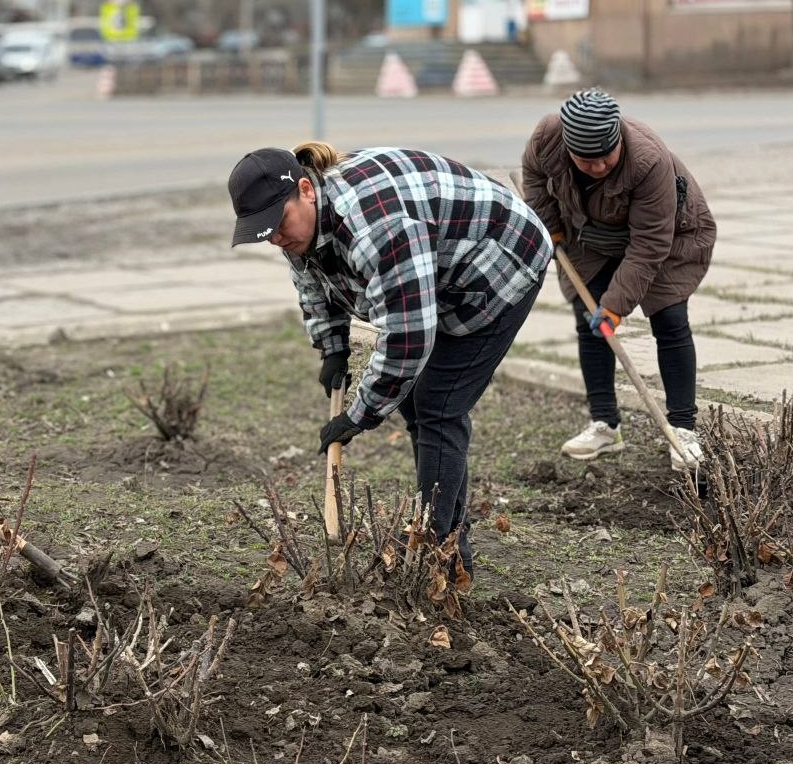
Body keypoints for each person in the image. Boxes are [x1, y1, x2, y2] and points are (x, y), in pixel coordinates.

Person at [229, 143, 552, 580]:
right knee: (416, 404)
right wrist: (332, 347)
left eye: (278, 224)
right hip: (442, 270)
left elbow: (408, 336)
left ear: (306, 189)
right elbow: (311, 280)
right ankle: (451, 543)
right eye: (265, 233)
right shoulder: (300, 225)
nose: (278, 238)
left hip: (502, 259)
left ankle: (436, 544)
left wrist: (359, 416)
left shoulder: (373, 229)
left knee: (439, 404)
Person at [521, 89, 715, 471]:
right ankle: (605, 425)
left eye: (605, 158)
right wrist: (552, 229)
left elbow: (649, 245)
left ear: (616, 139)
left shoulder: (648, 160)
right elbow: (534, 179)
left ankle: (683, 430)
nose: (597, 168)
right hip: (592, 236)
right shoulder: (547, 137)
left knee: (670, 321)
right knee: (587, 321)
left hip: (671, 235)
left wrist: (615, 307)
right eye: (585, 161)